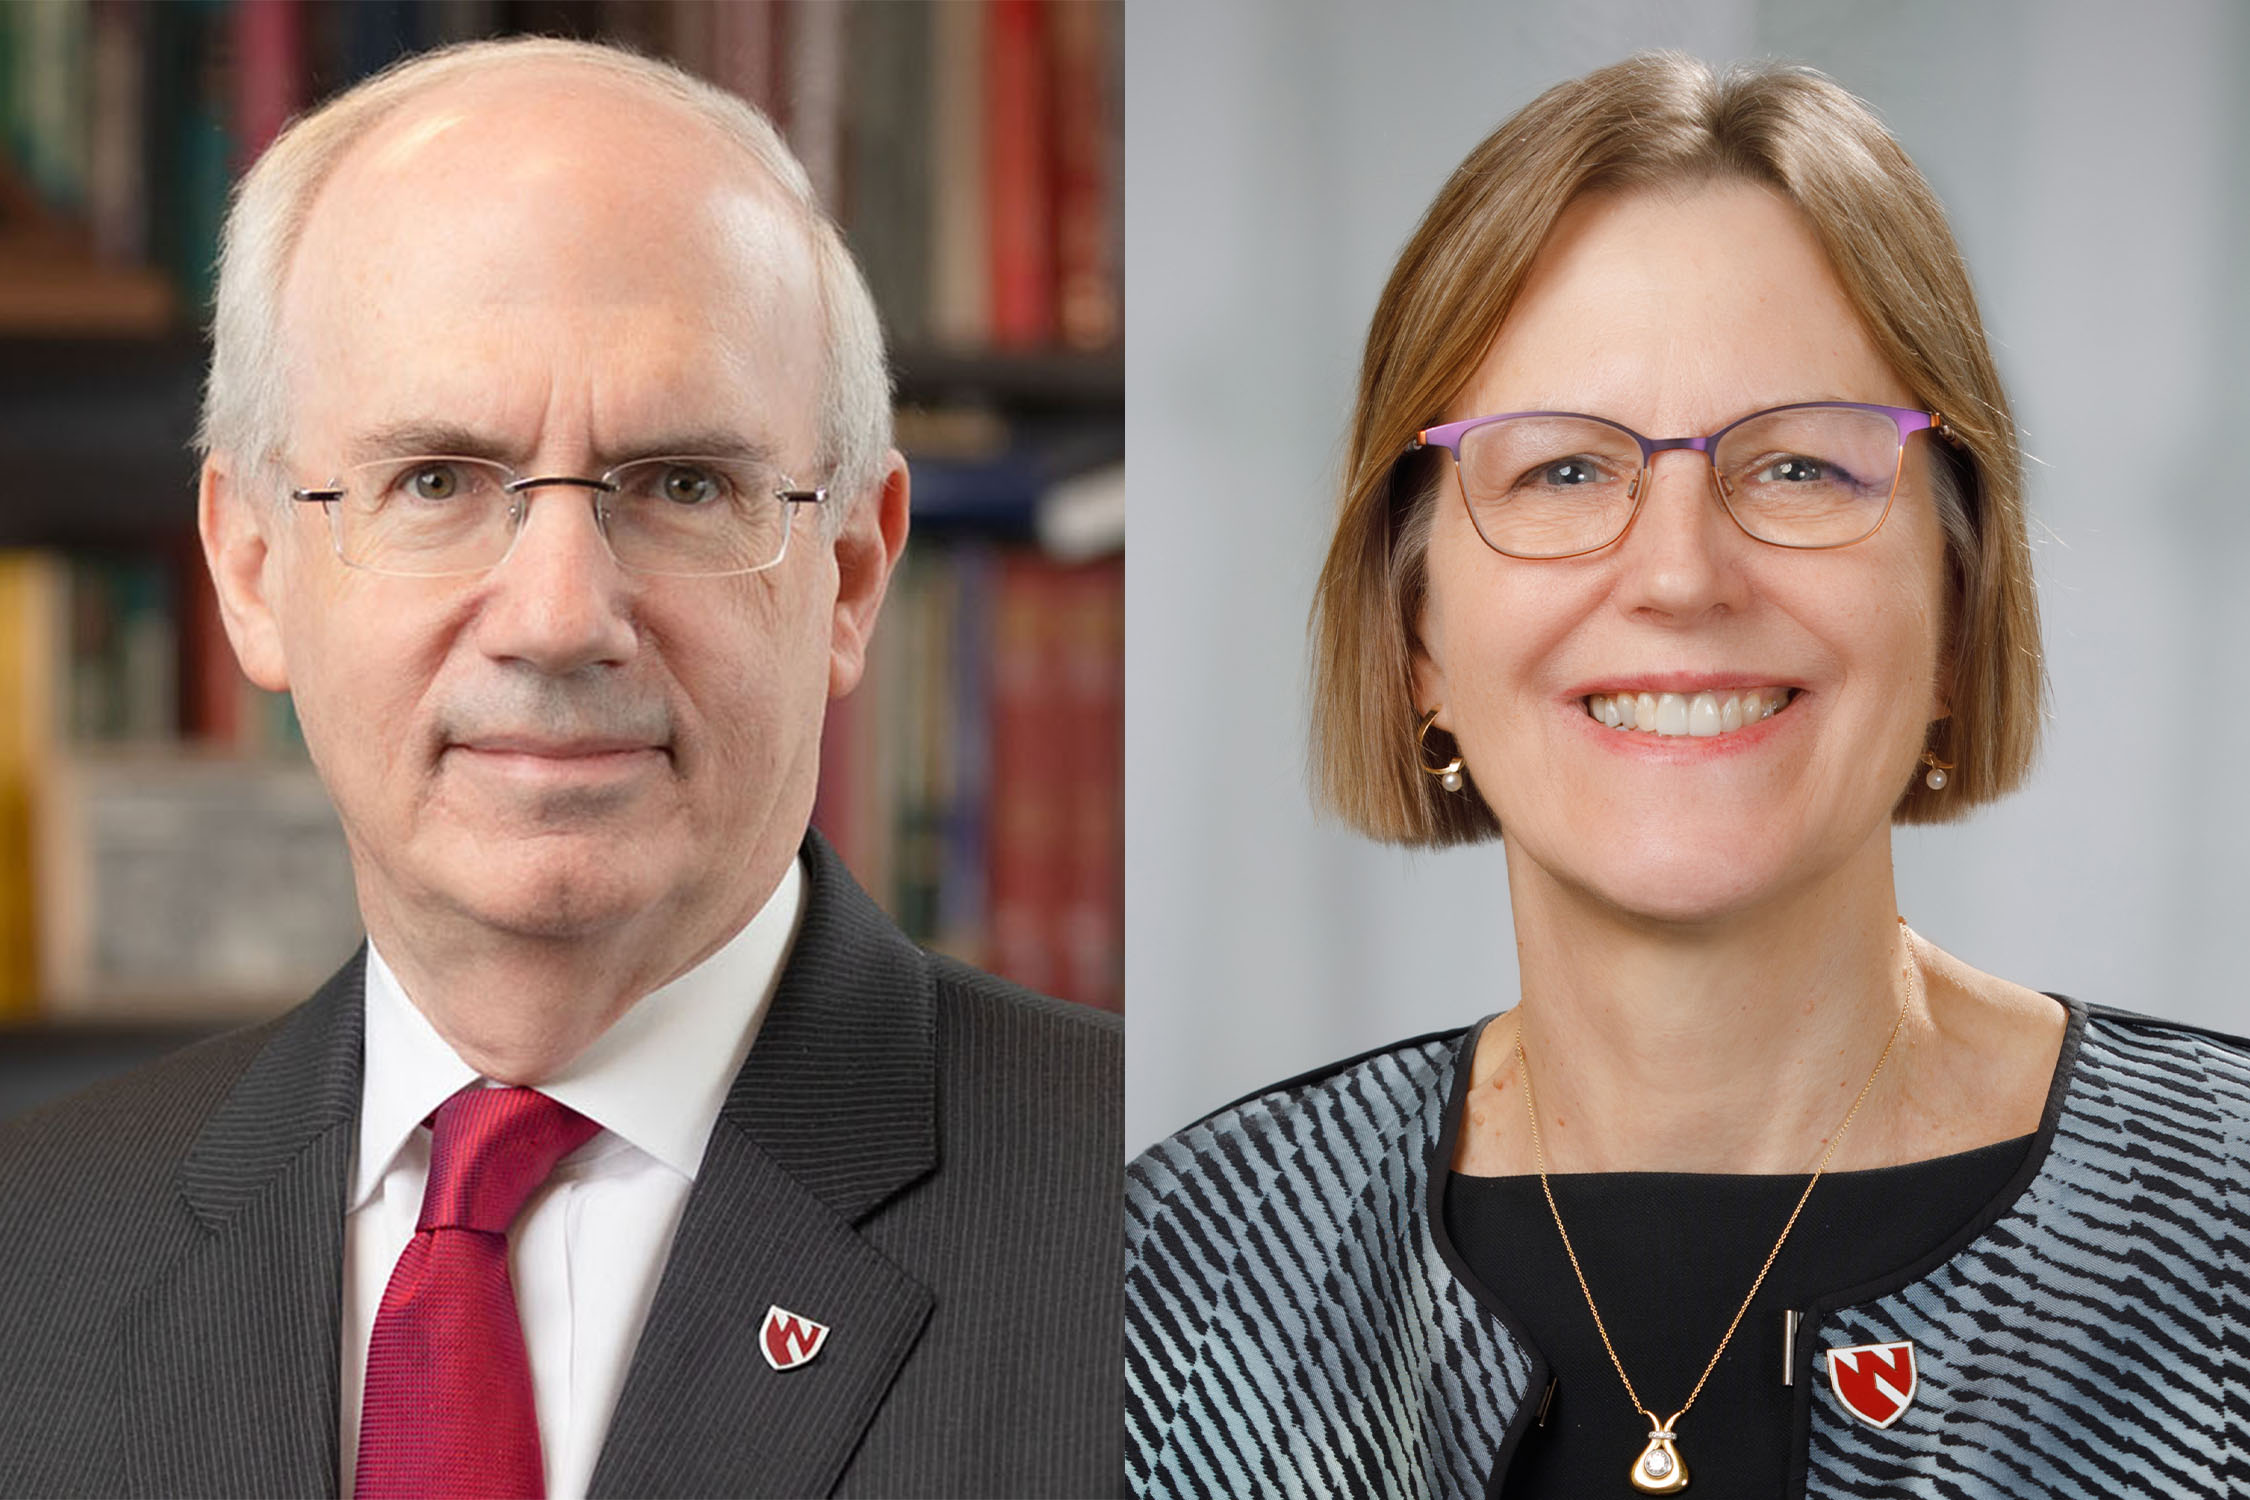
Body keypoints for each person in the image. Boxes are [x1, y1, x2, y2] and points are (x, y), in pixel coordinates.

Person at [0, 37, 1120, 1500]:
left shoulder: (1180, 1239)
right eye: (439, 482)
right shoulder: (32, 1252)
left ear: (850, 575)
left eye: (682, 485)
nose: (557, 618)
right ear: (254, 565)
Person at [1126, 52, 2249, 1499]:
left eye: (1798, 468)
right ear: (1415, 634)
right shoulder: (1183, 1278)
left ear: (1960, 605)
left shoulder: (2218, 1239)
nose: (1676, 573)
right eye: (1562, 472)